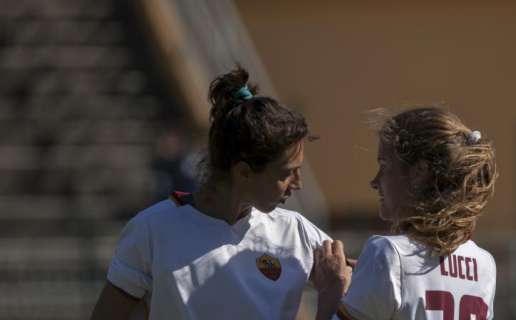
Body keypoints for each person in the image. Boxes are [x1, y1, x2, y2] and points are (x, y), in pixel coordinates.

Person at [90, 67, 349, 319]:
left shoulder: (297, 233)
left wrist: (334, 296)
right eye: (286, 173)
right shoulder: (151, 231)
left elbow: (369, 293)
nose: (298, 184)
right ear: (243, 172)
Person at [314, 107, 498, 320]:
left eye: (384, 166)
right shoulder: (484, 263)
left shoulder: (387, 253)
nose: (375, 181)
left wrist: (331, 290)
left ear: (419, 173)